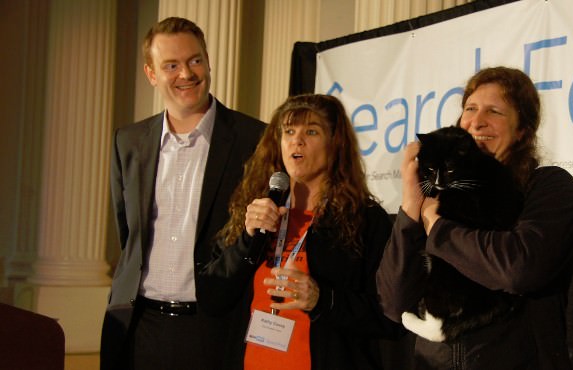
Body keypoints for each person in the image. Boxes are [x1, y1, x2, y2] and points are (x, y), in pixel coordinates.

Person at [376, 66, 573, 369]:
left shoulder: (547, 185)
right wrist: (411, 205)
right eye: (470, 108)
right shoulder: (439, 195)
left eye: (495, 111)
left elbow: (519, 269)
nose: (477, 121)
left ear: (522, 129)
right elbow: (393, 303)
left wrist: (439, 229)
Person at [100, 17, 265, 370]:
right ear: (151, 74)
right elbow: (128, 234)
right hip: (137, 326)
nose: (186, 74)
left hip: (215, 328)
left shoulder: (255, 139)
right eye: (171, 65)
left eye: (194, 60)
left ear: (207, 61)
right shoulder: (127, 142)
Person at [198, 94, 403, 370]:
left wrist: (323, 300)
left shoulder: (364, 220)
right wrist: (246, 240)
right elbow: (212, 299)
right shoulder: (256, 211)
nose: (297, 140)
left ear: (335, 143)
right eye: (289, 131)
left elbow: (389, 316)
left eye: (311, 131)